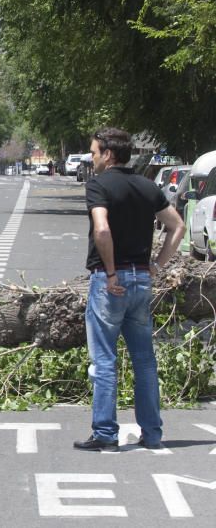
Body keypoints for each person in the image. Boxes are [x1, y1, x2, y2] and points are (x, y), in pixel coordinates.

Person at [73, 127, 184, 452]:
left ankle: (106, 432)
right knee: (145, 361)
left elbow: (102, 229)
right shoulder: (147, 186)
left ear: (108, 154)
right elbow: (177, 225)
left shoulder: (98, 186)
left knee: (105, 360)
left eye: (94, 153)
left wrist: (109, 273)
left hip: (111, 283)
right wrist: (158, 265)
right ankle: (152, 433)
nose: (92, 159)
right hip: (141, 280)